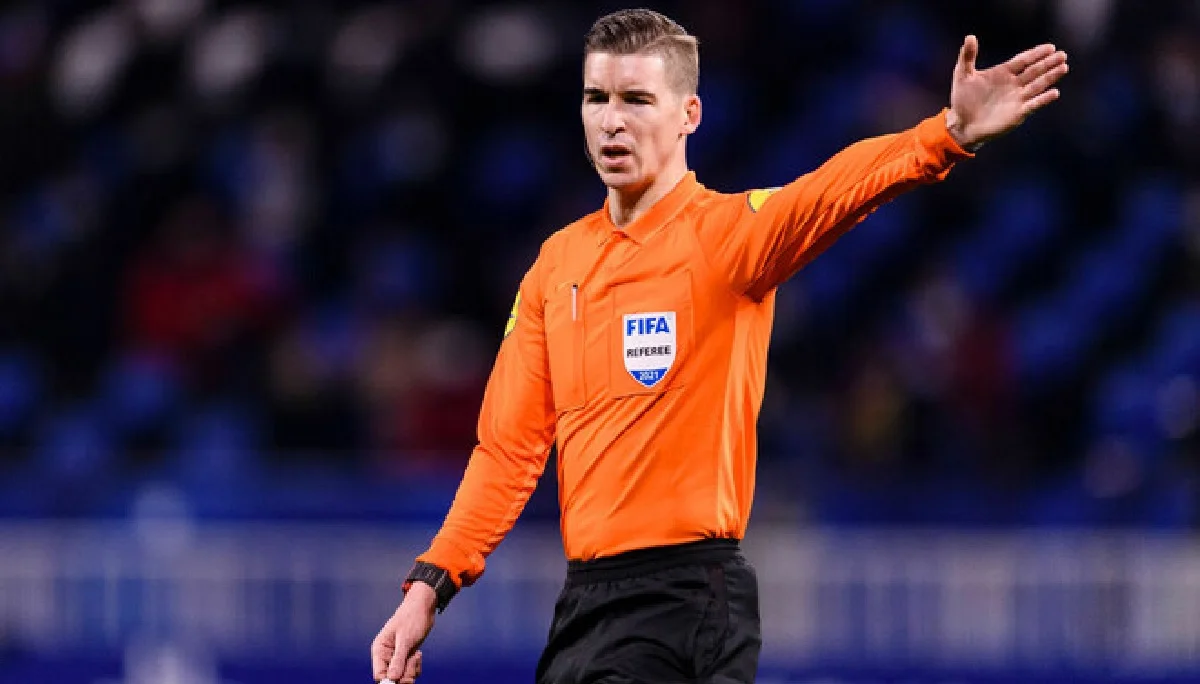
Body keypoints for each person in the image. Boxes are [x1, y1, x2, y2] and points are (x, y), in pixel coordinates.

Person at [371, 8, 1068, 684]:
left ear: (689, 114)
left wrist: (946, 133)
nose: (611, 120)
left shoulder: (725, 238)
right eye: (596, 97)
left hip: (685, 600)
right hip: (585, 606)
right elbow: (507, 450)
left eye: (637, 99)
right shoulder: (555, 267)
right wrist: (429, 584)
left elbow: (833, 190)